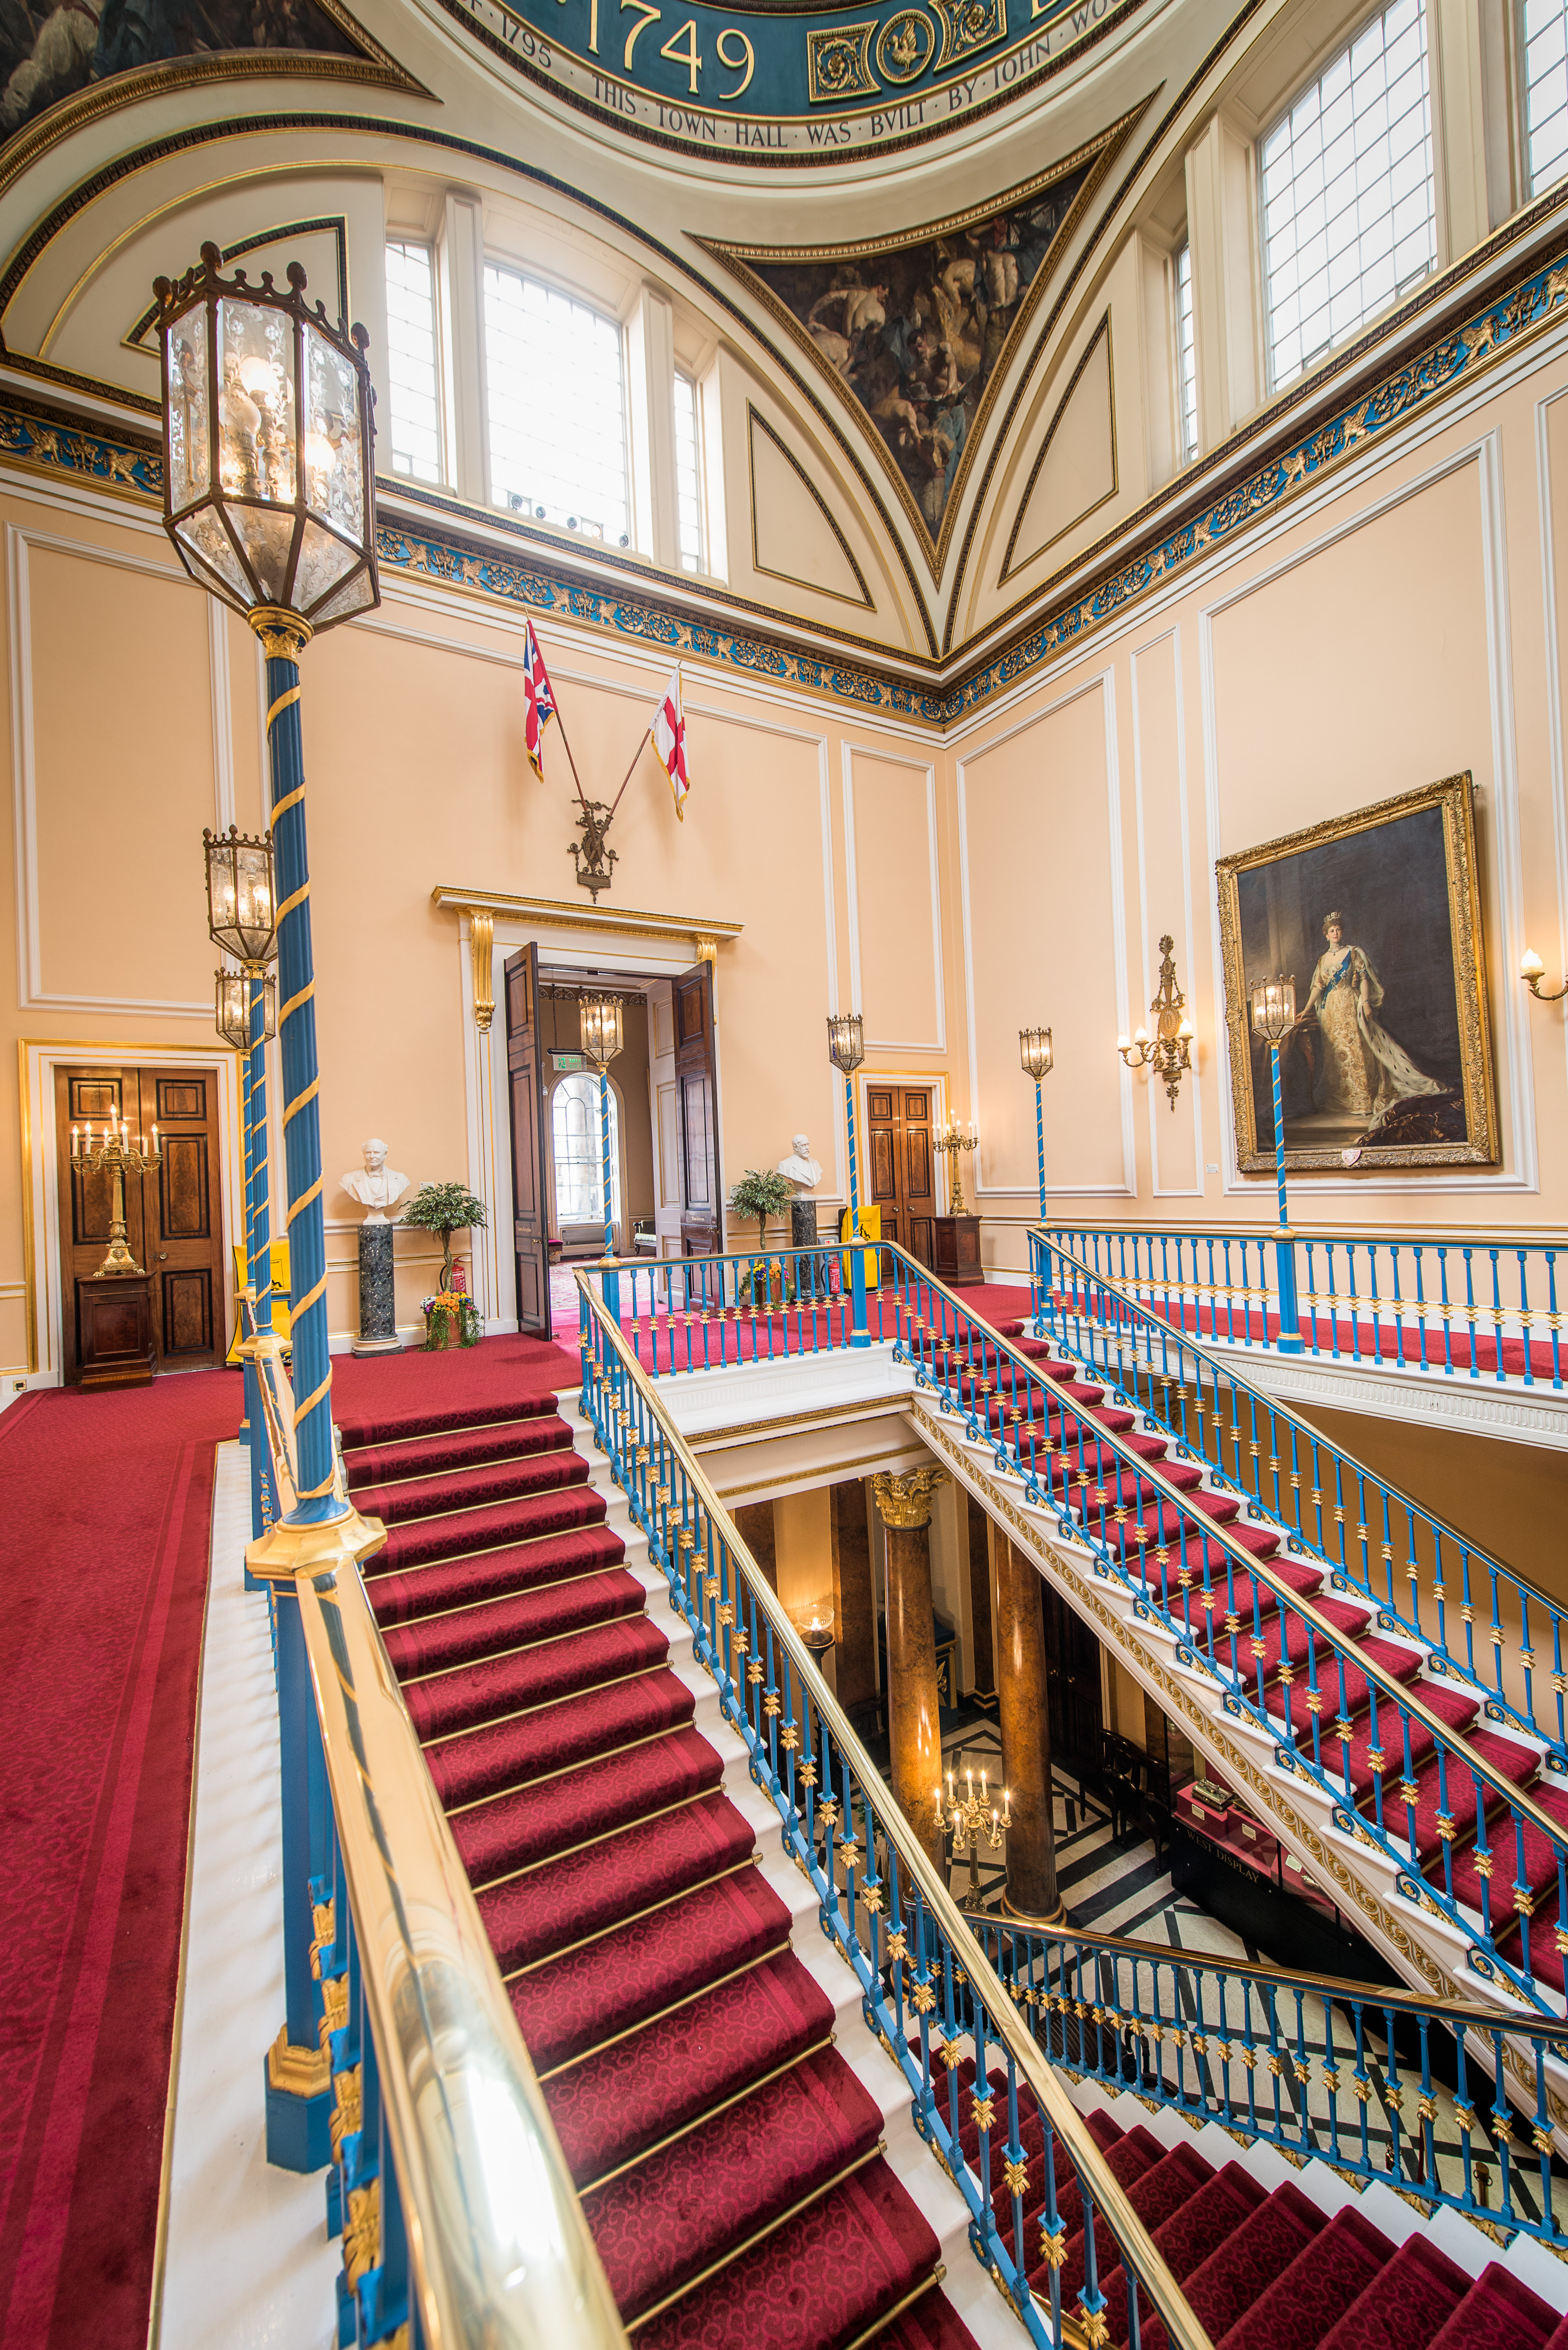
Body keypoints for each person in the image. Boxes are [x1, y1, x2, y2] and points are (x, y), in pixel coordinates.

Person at [1297, 911, 1444, 1129]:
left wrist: (1365, 1003)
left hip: (1350, 1004)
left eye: (1338, 929)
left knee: (1358, 1050)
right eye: (1331, 931)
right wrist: (1307, 1009)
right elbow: (1319, 986)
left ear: (1342, 931)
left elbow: (1364, 979)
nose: (1335, 933)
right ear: (1326, 935)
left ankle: (1363, 1099)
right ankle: (1342, 1101)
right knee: (1335, 1054)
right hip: (1331, 1012)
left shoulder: (1354, 953)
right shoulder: (1323, 960)